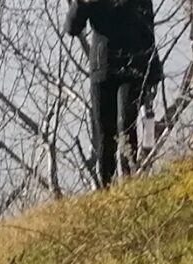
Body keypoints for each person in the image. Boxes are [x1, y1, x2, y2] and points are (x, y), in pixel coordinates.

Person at [66, 0, 159, 185]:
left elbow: (148, 28)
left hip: (133, 67)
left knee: (126, 125)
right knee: (103, 133)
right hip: (102, 69)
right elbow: (72, 28)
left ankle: (130, 183)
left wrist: (153, 70)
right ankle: (106, 188)